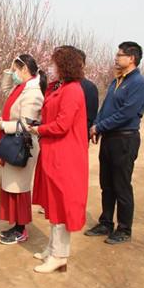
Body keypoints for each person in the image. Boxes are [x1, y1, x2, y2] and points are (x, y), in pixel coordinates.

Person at [28, 45, 89, 273]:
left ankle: (59, 255)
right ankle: (53, 247)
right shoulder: (58, 87)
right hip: (53, 151)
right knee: (53, 203)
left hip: (66, 155)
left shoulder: (73, 90)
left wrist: (39, 130)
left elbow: (63, 124)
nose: (52, 67)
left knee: (62, 204)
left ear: (65, 64)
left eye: (55, 62)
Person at [84, 41, 144, 244]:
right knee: (107, 184)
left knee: (121, 185)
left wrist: (100, 127)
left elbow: (126, 113)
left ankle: (124, 228)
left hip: (125, 139)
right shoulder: (117, 81)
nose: (116, 57)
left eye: (120, 55)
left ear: (131, 59)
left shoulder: (138, 83)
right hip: (110, 138)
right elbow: (106, 108)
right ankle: (106, 223)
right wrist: (97, 125)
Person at [0, 54, 46, 245]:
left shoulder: (33, 93)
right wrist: (10, 69)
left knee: (19, 189)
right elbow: (5, 89)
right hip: (11, 142)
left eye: (16, 70)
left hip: (23, 146)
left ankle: (21, 229)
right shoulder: (20, 88)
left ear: (24, 70)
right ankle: (16, 226)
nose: (13, 73)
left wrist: (3, 126)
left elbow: (26, 125)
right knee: (10, 187)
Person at [76, 49, 99, 138]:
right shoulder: (58, 85)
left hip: (78, 137)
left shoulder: (89, 88)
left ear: (82, 65)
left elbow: (90, 117)